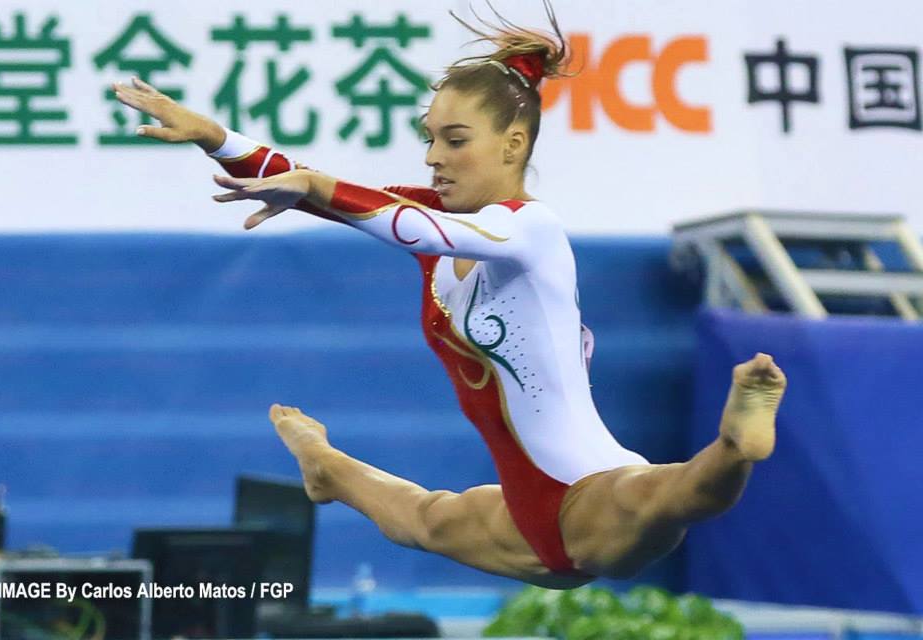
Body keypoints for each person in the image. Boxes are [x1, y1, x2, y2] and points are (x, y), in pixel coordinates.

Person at [112, 6, 787, 589]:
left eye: (455, 140)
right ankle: (326, 469)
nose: (435, 155)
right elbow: (317, 185)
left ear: (513, 143)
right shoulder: (439, 230)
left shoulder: (533, 230)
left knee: (668, 497)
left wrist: (315, 189)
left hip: (593, 492)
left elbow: (383, 214)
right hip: (525, 518)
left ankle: (736, 441)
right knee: (424, 519)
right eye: (429, 137)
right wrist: (213, 137)